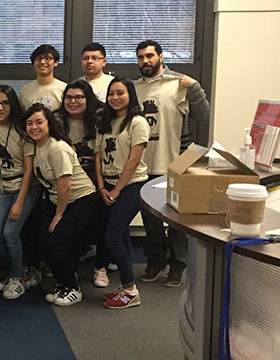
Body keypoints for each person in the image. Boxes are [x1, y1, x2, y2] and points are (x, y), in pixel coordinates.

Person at [133, 40, 210, 287]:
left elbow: (203, 115)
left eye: (150, 56)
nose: (145, 61)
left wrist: (195, 88)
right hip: (145, 162)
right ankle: (155, 261)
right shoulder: (135, 88)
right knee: (150, 217)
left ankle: (177, 267)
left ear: (161, 57)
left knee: (176, 219)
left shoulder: (179, 84)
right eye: (141, 57)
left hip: (175, 161)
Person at [25, 104, 97, 307]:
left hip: (80, 199)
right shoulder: (36, 146)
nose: (34, 127)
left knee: (56, 244)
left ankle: (73, 287)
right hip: (58, 201)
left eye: (39, 122)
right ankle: (63, 283)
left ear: (49, 124)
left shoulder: (57, 148)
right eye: (29, 123)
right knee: (45, 244)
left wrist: (59, 215)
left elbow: (65, 185)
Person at [95, 77, 150, 309]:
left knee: (112, 237)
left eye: (121, 93)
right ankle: (128, 286)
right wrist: (101, 186)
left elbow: (134, 160)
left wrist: (117, 190)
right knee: (123, 236)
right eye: (112, 94)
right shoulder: (105, 121)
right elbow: (98, 155)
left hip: (131, 186)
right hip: (107, 185)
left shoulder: (137, 122)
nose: (115, 98)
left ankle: (130, 290)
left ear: (130, 96)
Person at [0, 85, 40, 299]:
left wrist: (20, 202)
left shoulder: (23, 130)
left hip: (25, 188)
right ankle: (17, 268)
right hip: (2, 188)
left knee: (9, 233)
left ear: (12, 105)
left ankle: (16, 277)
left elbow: (28, 171)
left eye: (5, 103)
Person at [56, 80, 112, 288]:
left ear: (88, 99)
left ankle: (101, 267)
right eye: (69, 98)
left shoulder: (100, 118)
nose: (73, 102)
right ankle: (72, 267)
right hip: (71, 180)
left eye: (79, 97)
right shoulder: (57, 120)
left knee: (104, 221)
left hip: (98, 177)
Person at [20, 44, 67, 111]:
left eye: (47, 58)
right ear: (33, 63)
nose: (42, 62)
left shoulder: (64, 89)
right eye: (38, 59)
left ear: (56, 62)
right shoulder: (25, 90)